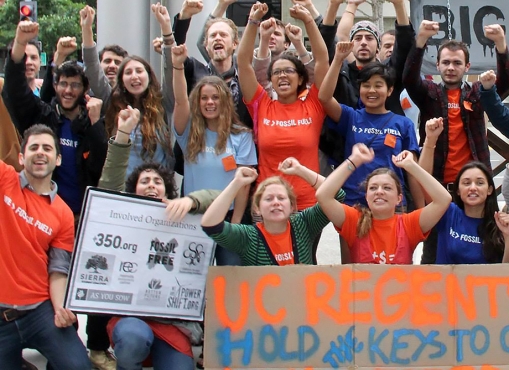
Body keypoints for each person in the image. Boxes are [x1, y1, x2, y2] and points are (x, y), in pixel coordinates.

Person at [96, 105, 218, 370]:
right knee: (133, 341)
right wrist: (123, 134)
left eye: (157, 181)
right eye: (144, 181)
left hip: (173, 323)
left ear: (166, 189)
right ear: (134, 189)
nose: (151, 184)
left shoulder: (183, 216)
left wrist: (192, 201)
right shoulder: (123, 212)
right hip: (132, 318)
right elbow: (109, 182)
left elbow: (218, 199)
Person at [402, 21, 509, 263]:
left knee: (486, 247)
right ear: (437, 65)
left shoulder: (477, 93)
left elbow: (503, 84)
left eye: (457, 63)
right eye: (446, 62)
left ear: (467, 66)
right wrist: (420, 42)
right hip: (440, 189)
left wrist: (501, 45)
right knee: (434, 251)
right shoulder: (428, 93)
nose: (451, 68)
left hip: (475, 188)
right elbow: (408, 78)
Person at [0, 124, 90, 369]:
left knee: (79, 366)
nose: (40, 152)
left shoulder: (63, 213)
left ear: (58, 159)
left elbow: (59, 269)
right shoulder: (4, 179)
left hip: (39, 311)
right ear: (21, 157)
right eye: (34, 147)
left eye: (47, 148)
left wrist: (60, 308)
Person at [172, 44, 257, 266]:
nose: (210, 103)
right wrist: (178, 66)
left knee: (230, 277)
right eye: (204, 98)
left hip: (228, 219)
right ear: (197, 103)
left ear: (225, 101)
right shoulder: (188, 133)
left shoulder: (241, 136)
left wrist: (236, 222)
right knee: (194, 280)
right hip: (193, 216)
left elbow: (244, 183)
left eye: (215, 98)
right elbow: (180, 100)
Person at [238, 2, 327, 212]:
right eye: (277, 72)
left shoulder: (313, 104)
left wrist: (308, 21)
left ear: (300, 80)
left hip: (307, 206)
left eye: (289, 71)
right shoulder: (261, 104)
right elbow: (243, 62)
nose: (283, 75)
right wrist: (253, 23)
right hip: (266, 204)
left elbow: (322, 59)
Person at [319, 47, 421, 211]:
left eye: (378, 85)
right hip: (354, 204)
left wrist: (420, 212)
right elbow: (324, 98)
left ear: (389, 91)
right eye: (366, 85)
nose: (371, 90)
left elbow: (413, 172)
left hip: (392, 206)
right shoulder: (350, 117)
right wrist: (338, 59)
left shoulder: (403, 124)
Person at [316, 143, 451, 264]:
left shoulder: (409, 224)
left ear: (399, 198)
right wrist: (354, 161)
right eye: (373, 188)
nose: (379, 192)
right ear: (367, 197)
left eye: (387, 188)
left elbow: (443, 199)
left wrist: (411, 166)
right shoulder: (355, 220)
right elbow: (323, 196)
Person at [201, 159, 345, 265]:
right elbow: (210, 224)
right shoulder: (248, 237)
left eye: (281, 198)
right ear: (257, 208)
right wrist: (236, 183)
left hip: (302, 303)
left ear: (292, 207)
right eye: (269, 199)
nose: (276, 202)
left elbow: (336, 194)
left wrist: (300, 170)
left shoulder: (304, 225)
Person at [420, 117, 506, 264]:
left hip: (483, 287)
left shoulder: (500, 224)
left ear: (490, 189)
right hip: (445, 286)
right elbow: (423, 179)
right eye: (466, 183)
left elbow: (503, 275)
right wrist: (430, 140)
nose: (473, 188)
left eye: (479, 183)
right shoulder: (447, 213)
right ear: (458, 190)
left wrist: (508, 237)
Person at [104, 54, 174, 177]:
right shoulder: (113, 106)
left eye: (139, 71)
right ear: (122, 81)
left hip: (155, 188)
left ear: (149, 76)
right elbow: (93, 72)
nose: (134, 76)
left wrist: (167, 41)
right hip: (124, 189)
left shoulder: (162, 104)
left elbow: (171, 74)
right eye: (128, 72)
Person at [81, 5, 128, 101]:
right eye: (107, 61)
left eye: (118, 62)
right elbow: (91, 63)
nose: (112, 66)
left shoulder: (136, 96)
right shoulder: (86, 96)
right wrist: (86, 27)